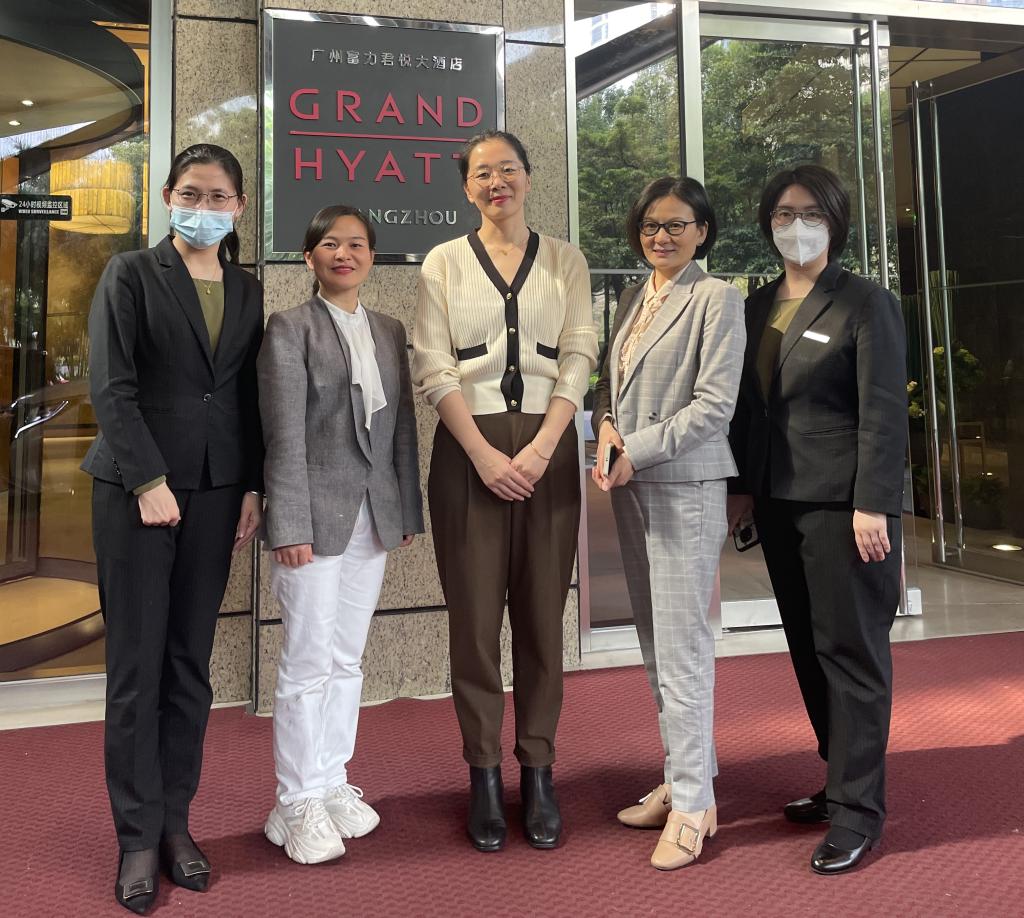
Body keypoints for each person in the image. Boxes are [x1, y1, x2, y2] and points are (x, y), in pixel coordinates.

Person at [83, 144, 264, 913]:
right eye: (191, 193)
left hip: (218, 492)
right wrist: (148, 479)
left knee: (190, 665)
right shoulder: (130, 273)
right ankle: (134, 836)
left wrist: (252, 484)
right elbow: (111, 386)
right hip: (136, 492)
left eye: (219, 196)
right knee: (137, 669)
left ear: (239, 207)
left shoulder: (248, 288)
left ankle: (175, 825)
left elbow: (247, 395)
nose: (204, 206)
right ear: (167, 197)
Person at [412, 130, 598, 852]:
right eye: (483, 174)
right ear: (467, 187)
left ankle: (540, 770)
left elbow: (580, 352)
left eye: (509, 170)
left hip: (549, 448)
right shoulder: (442, 261)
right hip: (469, 453)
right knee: (475, 622)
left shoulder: (566, 260)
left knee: (544, 620)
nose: (498, 183)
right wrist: (484, 455)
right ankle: (484, 772)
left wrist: (546, 445)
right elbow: (433, 365)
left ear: (528, 177)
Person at [727, 164, 907, 875]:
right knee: (807, 648)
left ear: (835, 223)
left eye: (810, 214)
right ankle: (839, 782)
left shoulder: (865, 302)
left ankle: (859, 811)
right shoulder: (756, 304)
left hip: (844, 506)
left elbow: (883, 413)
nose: (795, 226)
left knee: (850, 652)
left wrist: (874, 503)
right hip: (777, 500)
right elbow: (747, 408)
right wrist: (742, 489)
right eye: (782, 214)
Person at [258, 205, 424, 865]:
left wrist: (404, 510)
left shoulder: (388, 329)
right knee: (306, 662)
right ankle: (295, 801)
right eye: (331, 243)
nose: (344, 254)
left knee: (347, 659)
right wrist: (288, 522)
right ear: (310, 257)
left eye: (357, 244)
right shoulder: (289, 327)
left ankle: (329, 782)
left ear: (372, 257)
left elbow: (401, 429)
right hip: (313, 521)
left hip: (373, 518)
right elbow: (283, 435)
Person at [592, 176, 745, 871]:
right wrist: (605, 426)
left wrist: (636, 447)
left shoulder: (716, 298)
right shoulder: (635, 296)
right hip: (631, 484)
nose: (661, 236)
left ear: (702, 231)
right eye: (651, 225)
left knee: (683, 647)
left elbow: (714, 406)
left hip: (683, 484)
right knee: (657, 643)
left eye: (676, 224)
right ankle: (688, 780)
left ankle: (691, 808)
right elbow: (610, 382)